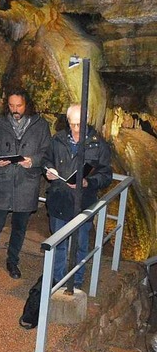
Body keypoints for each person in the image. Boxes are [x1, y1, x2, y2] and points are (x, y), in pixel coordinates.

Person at [43, 104, 112, 289]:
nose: (75, 129)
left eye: (79, 124)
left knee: (81, 243)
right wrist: (49, 170)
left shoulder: (99, 144)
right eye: (72, 124)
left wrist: (88, 182)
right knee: (58, 242)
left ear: (87, 121)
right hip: (60, 197)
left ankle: (77, 280)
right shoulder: (57, 139)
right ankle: (57, 280)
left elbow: (106, 175)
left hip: (83, 202)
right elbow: (47, 159)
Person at [0, 89, 51, 278]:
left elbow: (47, 152)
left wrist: (33, 161)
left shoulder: (40, 125)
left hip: (26, 183)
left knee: (19, 227)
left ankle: (12, 261)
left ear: (26, 105)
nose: (15, 109)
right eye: (11, 106)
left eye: (19, 106)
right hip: (3, 181)